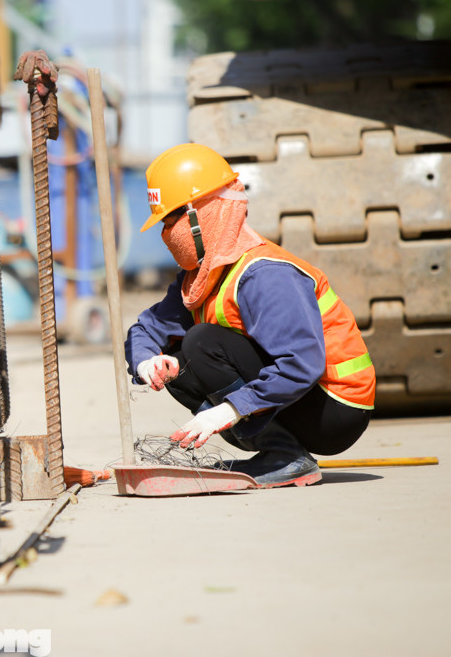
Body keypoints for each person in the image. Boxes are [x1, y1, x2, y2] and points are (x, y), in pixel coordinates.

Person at [126, 143, 375, 488]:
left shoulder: (265, 275)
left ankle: (286, 456)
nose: (167, 232)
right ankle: (279, 452)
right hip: (300, 397)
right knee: (178, 360)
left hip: (335, 407)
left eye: (171, 219)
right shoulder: (202, 277)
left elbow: (302, 364)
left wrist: (228, 410)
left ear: (203, 214)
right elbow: (146, 328)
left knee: (201, 341)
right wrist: (146, 363)